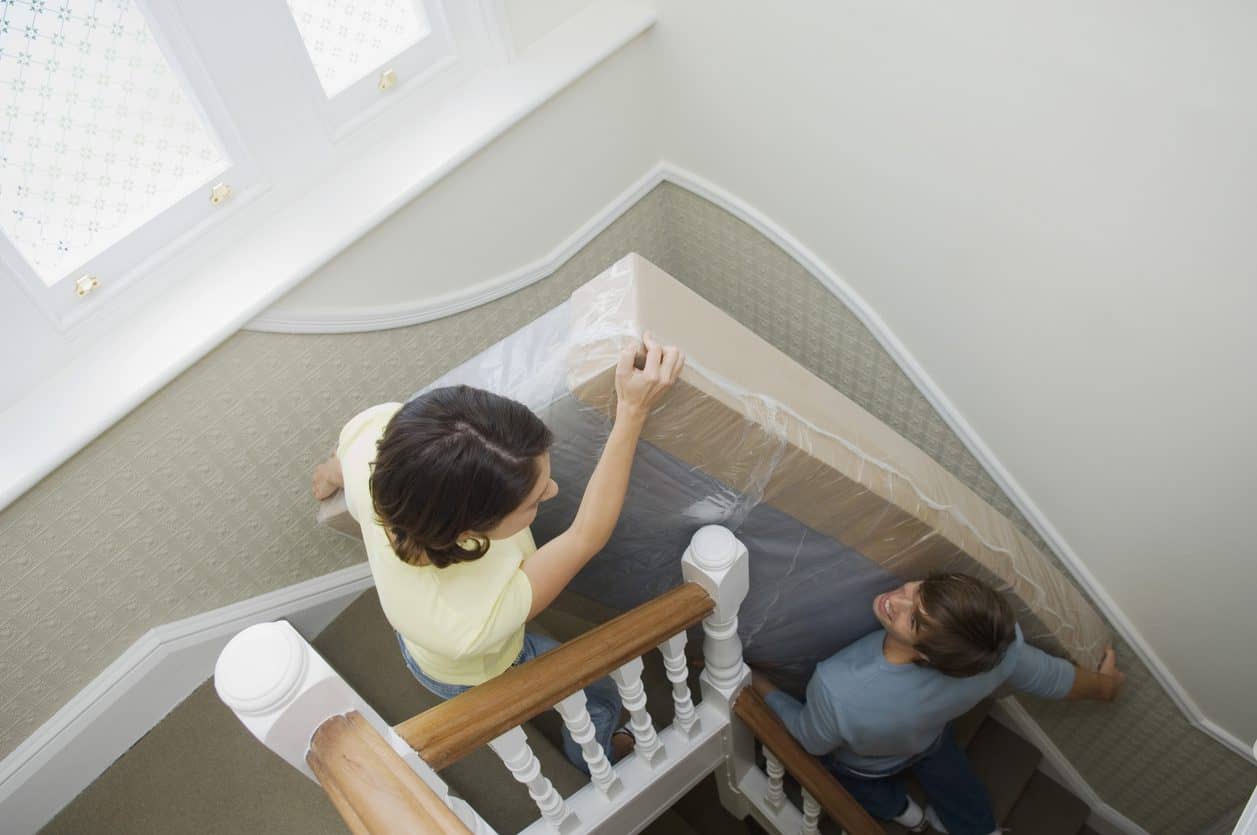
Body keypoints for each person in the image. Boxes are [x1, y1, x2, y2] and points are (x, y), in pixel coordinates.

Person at [312, 333, 684, 771]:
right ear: (469, 531)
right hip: (477, 667)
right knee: (597, 694)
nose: (554, 490)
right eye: (533, 500)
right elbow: (585, 535)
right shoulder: (470, 621)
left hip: (423, 634)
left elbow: (345, 459)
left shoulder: (377, 436)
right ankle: (597, 754)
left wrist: (326, 477)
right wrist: (633, 411)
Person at [751, 573, 1124, 835]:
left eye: (913, 620)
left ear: (926, 657)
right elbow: (1053, 678)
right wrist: (1106, 688)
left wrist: (761, 685)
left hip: (865, 764)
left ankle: (905, 814)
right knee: (953, 774)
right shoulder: (999, 651)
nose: (895, 599)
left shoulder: (837, 688)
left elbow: (809, 739)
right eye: (922, 590)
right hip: (928, 739)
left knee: (862, 785)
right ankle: (979, 829)